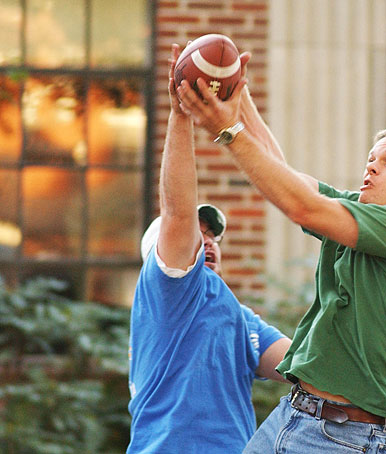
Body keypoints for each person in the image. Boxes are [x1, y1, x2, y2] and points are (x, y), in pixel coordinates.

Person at [175, 54, 386, 454]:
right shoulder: (360, 217)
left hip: (343, 438)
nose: (371, 168)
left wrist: (227, 130)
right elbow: (288, 180)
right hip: (293, 415)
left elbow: (301, 206)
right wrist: (241, 97)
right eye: (370, 159)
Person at [126, 44, 291, 454]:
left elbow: (306, 367)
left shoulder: (238, 317)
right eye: (199, 237)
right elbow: (178, 213)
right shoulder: (167, 291)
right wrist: (181, 115)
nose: (208, 242)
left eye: (213, 235)